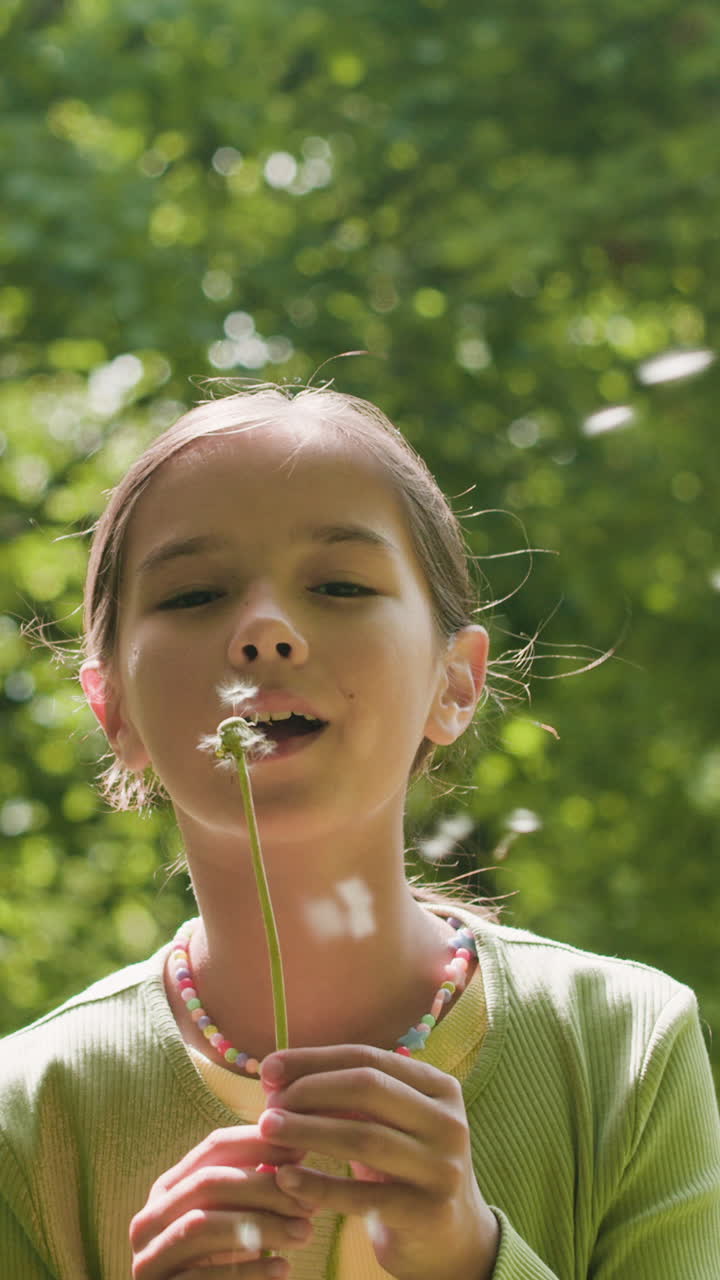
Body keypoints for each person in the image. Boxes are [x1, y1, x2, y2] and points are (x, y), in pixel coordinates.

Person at [1, 385, 718, 1280]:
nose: (265, 632)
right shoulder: (28, 1113)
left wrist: (473, 1260)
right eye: (194, 595)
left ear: (456, 683)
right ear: (112, 708)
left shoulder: (627, 1046)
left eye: (340, 585)